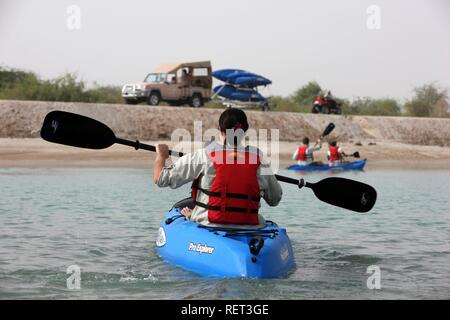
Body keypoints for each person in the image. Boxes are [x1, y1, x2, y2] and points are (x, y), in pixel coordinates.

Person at [153, 108, 282, 229]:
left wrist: (161, 156)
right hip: (250, 227)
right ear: (245, 131)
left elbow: (160, 179)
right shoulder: (259, 159)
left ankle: (193, 216)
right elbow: (275, 199)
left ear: (220, 129)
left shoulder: (204, 155)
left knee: (190, 214)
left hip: (209, 224)